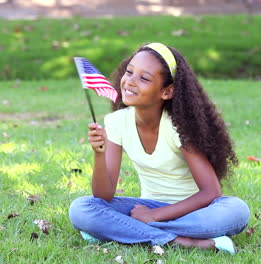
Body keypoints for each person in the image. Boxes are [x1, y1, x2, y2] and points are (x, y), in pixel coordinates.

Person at [69, 42, 250, 254]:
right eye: (129, 72)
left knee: (236, 211)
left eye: (144, 78)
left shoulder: (177, 127)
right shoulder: (116, 122)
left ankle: (122, 232)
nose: (130, 82)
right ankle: (182, 241)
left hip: (194, 211)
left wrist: (153, 217)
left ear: (167, 91)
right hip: (148, 206)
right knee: (82, 209)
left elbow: (211, 192)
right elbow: (104, 195)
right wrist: (99, 154)